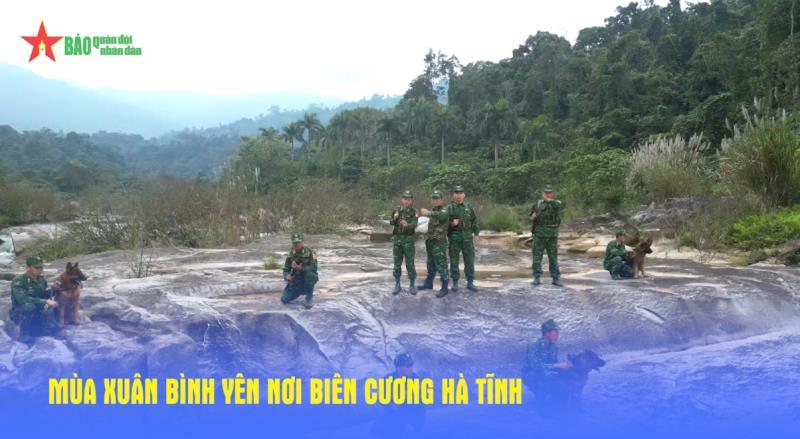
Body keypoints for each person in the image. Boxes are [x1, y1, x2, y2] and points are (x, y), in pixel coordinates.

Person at [372, 353, 426, 437]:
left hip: (412, 417)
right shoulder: (388, 379)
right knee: (378, 429)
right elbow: (383, 402)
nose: (404, 371)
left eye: (407, 367)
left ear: (411, 368)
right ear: (396, 368)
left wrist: (412, 425)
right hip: (393, 415)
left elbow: (421, 409)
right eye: (401, 368)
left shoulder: (417, 381)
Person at [523, 319, 572, 408]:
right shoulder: (534, 344)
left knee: (565, 376)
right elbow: (535, 366)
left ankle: (561, 404)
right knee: (547, 375)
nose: (557, 334)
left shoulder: (553, 346)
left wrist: (564, 366)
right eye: (555, 331)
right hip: (531, 374)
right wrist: (557, 365)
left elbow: (554, 363)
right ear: (547, 333)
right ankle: (541, 405)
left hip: (547, 372)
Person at [9, 255, 59, 339]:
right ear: (28, 268)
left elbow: (43, 295)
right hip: (20, 311)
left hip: (38, 310)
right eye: (37, 268)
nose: (40, 270)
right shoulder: (19, 280)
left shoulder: (41, 280)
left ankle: (37, 328)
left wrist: (53, 290)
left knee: (53, 329)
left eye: (41, 267)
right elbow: (23, 299)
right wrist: (45, 301)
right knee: (28, 306)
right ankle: (24, 334)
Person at [447, 186, 480, 292]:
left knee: (469, 261)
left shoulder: (468, 207)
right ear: (453, 195)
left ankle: (470, 282)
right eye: (456, 193)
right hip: (454, 239)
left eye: (460, 193)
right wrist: (451, 224)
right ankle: (455, 282)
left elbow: (474, 220)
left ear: (464, 195)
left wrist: (476, 234)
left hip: (467, 239)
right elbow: (443, 223)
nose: (458, 195)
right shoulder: (449, 208)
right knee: (454, 261)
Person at [417, 191, 450, 298]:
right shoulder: (433, 211)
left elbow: (442, 216)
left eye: (437, 199)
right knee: (430, 264)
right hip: (431, 242)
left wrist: (428, 213)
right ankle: (429, 283)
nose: (435, 201)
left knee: (441, 264)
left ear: (441, 200)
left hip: (439, 243)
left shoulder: (444, 211)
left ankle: (444, 287)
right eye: (433, 199)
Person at [530, 186, 564, 287]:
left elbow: (558, 206)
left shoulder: (556, 203)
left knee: (553, 257)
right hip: (539, 234)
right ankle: (536, 277)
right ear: (542, 193)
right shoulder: (537, 204)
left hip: (552, 235)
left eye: (549, 193)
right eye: (545, 193)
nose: (547, 194)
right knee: (537, 257)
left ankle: (556, 278)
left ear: (552, 194)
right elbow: (531, 216)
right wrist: (533, 216)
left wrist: (548, 200)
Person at [390, 191, 418, 295]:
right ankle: (397, 284)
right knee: (397, 263)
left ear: (411, 200)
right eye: (405, 199)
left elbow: (415, 224)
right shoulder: (397, 209)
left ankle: (412, 284)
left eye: (409, 199)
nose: (406, 201)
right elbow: (391, 222)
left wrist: (408, 225)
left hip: (408, 241)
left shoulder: (414, 211)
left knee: (410, 263)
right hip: (397, 240)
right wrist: (395, 218)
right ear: (402, 200)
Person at [281, 232, 318, 309]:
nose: (296, 244)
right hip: (296, 279)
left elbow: (314, 267)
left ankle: (309, 298)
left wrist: (301, 268)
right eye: (294, 243)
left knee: (310, 275)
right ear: (292, 243)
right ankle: (298, 291)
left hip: (307, 277)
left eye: (298, 242)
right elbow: (286, 269)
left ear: (302, 242)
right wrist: (287, 276)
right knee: (284, 299)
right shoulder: (291, 254)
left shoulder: (311, 252)